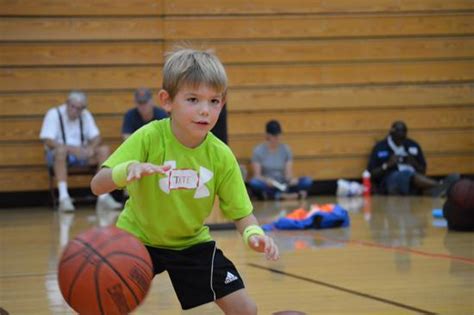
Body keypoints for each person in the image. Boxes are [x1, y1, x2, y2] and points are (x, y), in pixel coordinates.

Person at [90, 48, 279, 314]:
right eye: (193, 99)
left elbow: (242, 214)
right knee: (101, 302)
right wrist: (126, 170)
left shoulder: (221, 156)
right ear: (167, 101)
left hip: (190, 243)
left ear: (222, 105)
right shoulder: (149, 137)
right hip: (136, 239)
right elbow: (97, 185)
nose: (205, 110)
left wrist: (254, 235)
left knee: (246, 309)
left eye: (214, 101)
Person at [39, 91, 122, 211]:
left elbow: (97, 137)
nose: (75, 111)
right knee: (60, 151)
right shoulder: (54, 114)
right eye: (73, 107)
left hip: (82, 154)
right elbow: (47, 140)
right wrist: (71, 149)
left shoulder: (85, 115)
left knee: (104, 150)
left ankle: (103, 196)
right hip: (60, 155)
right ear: (67, 103)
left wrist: (91, 148)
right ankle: (64, 198)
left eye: (79, 109)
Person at [367, 121, 459, 196]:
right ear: (391, 134)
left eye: (403, 138)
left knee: (412, 177)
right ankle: (442, 186)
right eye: (398, 138)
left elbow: (423, 170)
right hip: (390, 180)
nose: (401, 141)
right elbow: (371, 174)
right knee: (407, 174)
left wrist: (413, 163)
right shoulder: (380, 147)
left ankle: (438, 190)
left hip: (413, 179)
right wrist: (387, 165)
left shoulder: (412, 145)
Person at [248, 120, 313, 200]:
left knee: (307, 181)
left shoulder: (286, 149)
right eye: (274, 136)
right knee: (254, 183)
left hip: (283, 184)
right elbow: (257, 175)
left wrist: (291, 180)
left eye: (278, 135)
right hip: (269, 184)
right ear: (267, 135)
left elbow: (288, 174)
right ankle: (286, 195)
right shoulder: (258, 151)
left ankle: (274, 196)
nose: (277, 138)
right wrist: (267, 181)